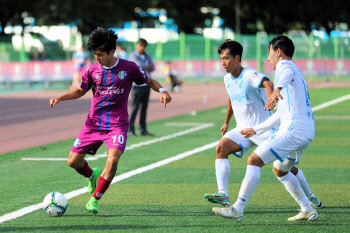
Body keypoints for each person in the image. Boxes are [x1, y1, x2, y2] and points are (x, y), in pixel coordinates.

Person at [49, 27, 172, 214]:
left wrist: (162, 91)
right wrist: (61, 97)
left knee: (113, 160)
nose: (96, 58)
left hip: (117, 125)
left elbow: (150, 81)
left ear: (112, 52)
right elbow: (80, 90)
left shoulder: (129, 67)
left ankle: (94, 199)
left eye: (100, 54)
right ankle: (92, 176)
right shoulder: (92, 70)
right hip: (93, 124)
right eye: (94, 54)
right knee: (73, 162)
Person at [204, 39, 322, 211]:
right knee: (221, 148)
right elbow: (231, 97)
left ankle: (310, 197)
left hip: (265, 128)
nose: (223, 62)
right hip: (245, 129)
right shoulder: (227, 78)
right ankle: (223, 195)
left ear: (237, 58)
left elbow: (268, 83)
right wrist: (227, 121)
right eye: (221, 58)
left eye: (226, 58)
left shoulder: (250, 74)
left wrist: (271, 96)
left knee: (284, 169)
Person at [128, 38, 155, 136]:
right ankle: (130, 129)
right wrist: (145, 66)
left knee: (144, 108)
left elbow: (152, 67)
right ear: (137, 45)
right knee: (135, 108)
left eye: (144, 46)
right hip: (136, 85)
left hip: (146, 84)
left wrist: (145, 67)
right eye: (141, 45)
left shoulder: (147, 55)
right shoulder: (133, 55)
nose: (142, 48)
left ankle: (143, 129)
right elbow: (137, 67)